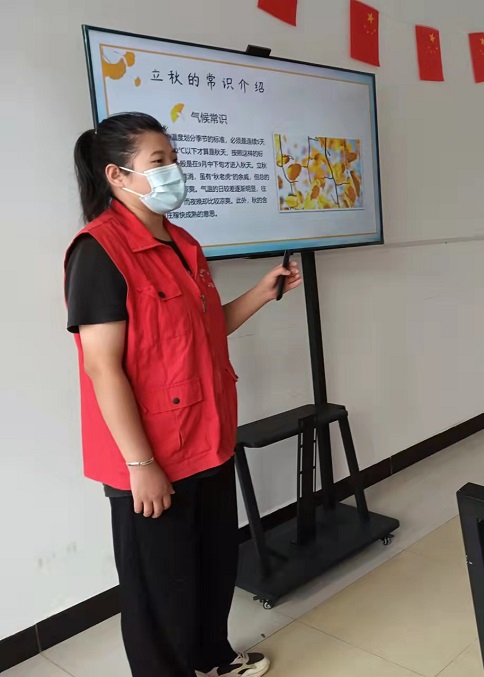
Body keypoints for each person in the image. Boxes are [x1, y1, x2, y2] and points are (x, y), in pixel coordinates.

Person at [66, 112, 301, 677]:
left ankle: (212, 659)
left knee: (211, 567)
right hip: (151, 455)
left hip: (206, 438)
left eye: (173, 158)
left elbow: (206, 330)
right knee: (160, 590)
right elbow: (102, 368)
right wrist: (141, 465)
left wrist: (262, 293)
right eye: (158, 161)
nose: (173, 170)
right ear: (117, 175)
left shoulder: (181, 242)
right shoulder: (99, 252)